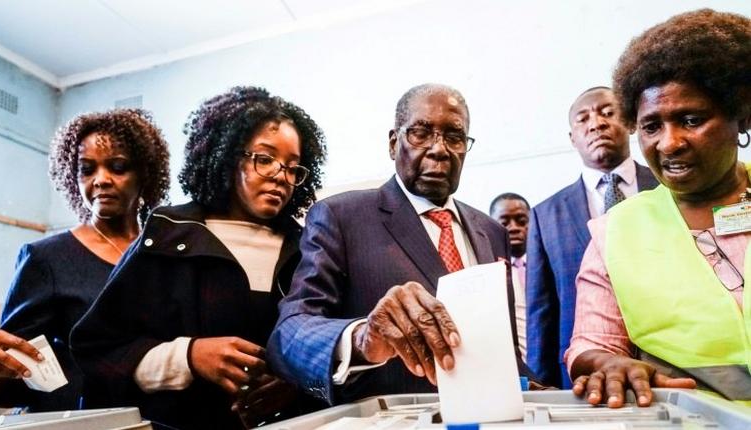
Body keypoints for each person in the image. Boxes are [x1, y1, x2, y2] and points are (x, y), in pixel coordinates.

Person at [70, 86, 327, 429]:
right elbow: (99, 351)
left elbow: (330, 354)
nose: (281, 176)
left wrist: (295, 387)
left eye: (293, 167)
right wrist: (189, 356)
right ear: (227, 156)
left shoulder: (308, 246)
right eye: (264, 159)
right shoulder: (166, 234)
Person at [268, 83, 534, 405]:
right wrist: (362, 337)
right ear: (394, 144)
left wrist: (536, 388)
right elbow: (290, 333)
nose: (439, 149)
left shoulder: (490, 231)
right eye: (420, 133)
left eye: (454, 137)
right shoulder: (341, 216)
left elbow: (500, 344)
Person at [566, 9, 750, 407]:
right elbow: (590, 343)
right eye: (651, 126)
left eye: (690, 119)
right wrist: (608, 363)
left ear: (742, 115)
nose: (669, 143)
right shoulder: (614, 231)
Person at [0, 109, 171, 411]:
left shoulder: (164, 254)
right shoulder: (47, 258)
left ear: (145, 173)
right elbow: (8, 374)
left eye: (118, 166)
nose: (101, 180)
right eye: (87, 169)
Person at [525, 87, 658, 388]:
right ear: (572, 138)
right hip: (584, 377)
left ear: (628, 121)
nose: (596, 124)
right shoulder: (545, 215)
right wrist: (542, 389)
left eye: (607, 113)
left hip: (667, 368)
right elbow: (541, 315)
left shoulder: (670, 189)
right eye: (583, 119)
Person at [489, 193, 530, 361]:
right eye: (504, 223)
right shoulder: (486, 272)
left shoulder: (550, 264)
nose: (513, 228)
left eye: (521, 221)